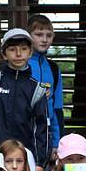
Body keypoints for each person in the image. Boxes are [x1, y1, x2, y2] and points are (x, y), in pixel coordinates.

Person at [0, 28, 50, 171]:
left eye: (24, 49)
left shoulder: (37, 89)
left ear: (30, 52)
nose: (19, 54)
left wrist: (39, 163)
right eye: (12, 49)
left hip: (24, 162)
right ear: (4, 54)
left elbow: (41, 128)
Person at [27, 14, 64, 154]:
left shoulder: (53, 68)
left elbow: (57, 108)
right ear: (29, 36)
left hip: (47, 135)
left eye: (49, 35)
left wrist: (57, 142)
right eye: (39, 34)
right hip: (24, 132)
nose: (44, 39)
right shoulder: (21, 66)